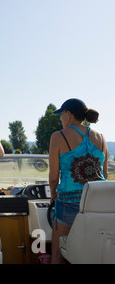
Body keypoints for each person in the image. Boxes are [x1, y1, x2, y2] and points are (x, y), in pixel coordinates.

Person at [49, 98, 109, 264]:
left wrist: (53, 193)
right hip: (97, 205)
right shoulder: (101, 137)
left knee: (58, 254)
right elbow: (104, 175)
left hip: (69, 203)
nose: (60, 119)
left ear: (68, 114)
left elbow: (54, 176)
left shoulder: (58, 137)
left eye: (61, 115)